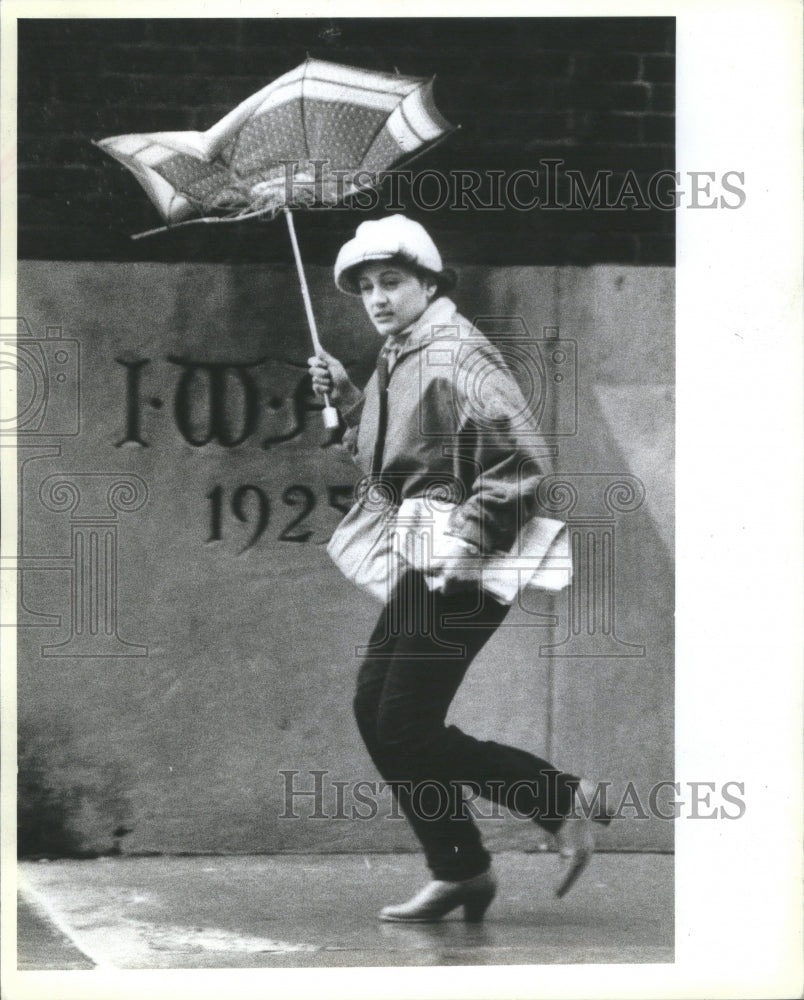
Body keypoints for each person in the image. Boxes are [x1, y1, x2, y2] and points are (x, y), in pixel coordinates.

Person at [308, 214, 608, 923]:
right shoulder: (401, 353)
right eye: (367, 287)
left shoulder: (455, 353)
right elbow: (396, 462)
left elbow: (521, 464)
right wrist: (351, 399)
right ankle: (463, 870)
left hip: (469, 559)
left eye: (393, 281)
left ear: (429, 282)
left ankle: (556, 798)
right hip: (431, 551)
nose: (378, 298)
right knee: (376, 712)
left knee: (405, 722)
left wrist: (467, 549)